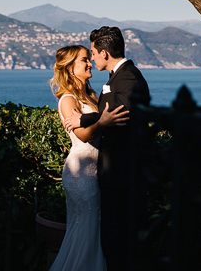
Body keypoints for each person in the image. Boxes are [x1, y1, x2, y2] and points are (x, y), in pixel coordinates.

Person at [67, 26, 151, 271]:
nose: (92, 58)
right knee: (112, 238)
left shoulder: (127, 78)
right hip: (112, 172)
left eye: (93, 52)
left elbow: (119, 114)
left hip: (122, 172)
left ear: (104, 53)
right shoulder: (118, 77)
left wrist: (83, 120)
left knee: (118, 240)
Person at [48, 44, 129, 271]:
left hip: (95, 168)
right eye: (84, 60)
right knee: (87, 226)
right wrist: (104, 122)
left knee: (91, 228)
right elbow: (82, 135)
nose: (89, 63)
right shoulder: (67, 99)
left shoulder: (91, 95)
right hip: (81, 171)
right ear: (71, 68)